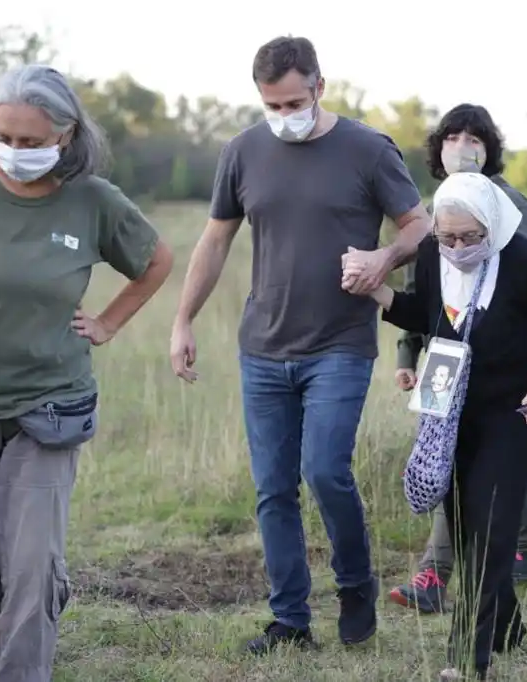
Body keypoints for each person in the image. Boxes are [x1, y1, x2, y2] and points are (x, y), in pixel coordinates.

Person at [168, 36, 430, 654]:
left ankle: (355, 585)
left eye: (293, 101)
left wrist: (384, 257)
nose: (284, 115)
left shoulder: (367, 149)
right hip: (262, 347)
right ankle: (290, 621)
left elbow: (418, 223)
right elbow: (213, 242)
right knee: (272, 489)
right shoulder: (243, 152)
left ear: (319, 86)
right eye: (271, 104)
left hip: (340, 342)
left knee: (324, 472)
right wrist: (183, 320)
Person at [0, 64, 173, 681]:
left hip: (50, 409)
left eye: (31, 141)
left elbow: (155, 260)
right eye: (5, 137)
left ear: (66, 136)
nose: (14, 152)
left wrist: (108, 323)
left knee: (31, 564)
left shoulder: (92, 199)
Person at [344, 171, 527, 681]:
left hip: (509, 414)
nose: (455, 247)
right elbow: (429, 316)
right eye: (445, 236)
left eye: (468, 238)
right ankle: (509, 627)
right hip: (446, 411)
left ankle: (463, 663)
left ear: (490, 227)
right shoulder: (433, 256)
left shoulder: (521, 261)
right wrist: (381, 295)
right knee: (469, 529)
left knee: (491, 530)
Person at [389, 104, 527, 615]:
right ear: (438, 148)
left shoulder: (514, 207)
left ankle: (435, 573)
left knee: (467, 456)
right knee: (447, 453)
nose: (463, 145)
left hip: (496, 362)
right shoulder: (433, 208)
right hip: (441, 360)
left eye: (474, 136)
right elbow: (423, 294)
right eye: (452, 136)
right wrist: (408, 352)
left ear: (489, 147)